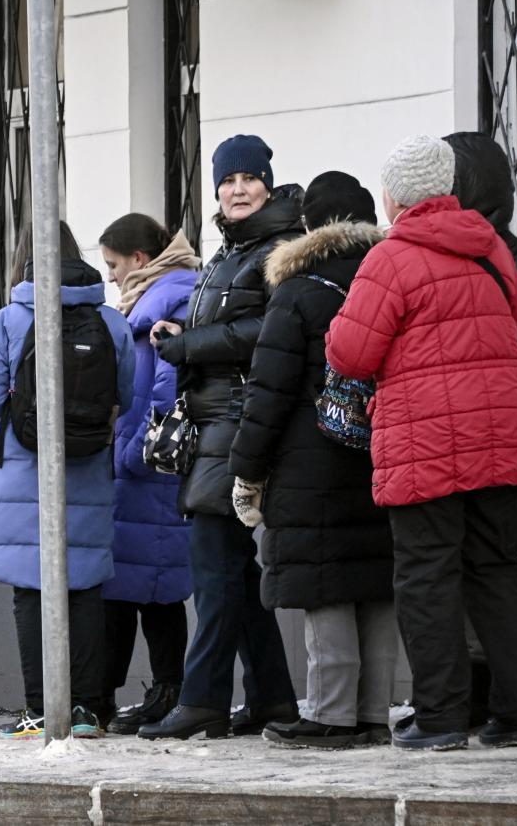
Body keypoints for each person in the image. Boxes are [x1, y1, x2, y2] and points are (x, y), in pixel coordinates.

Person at [326, 135, 517, 751]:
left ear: (394, 195)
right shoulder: (494, 251)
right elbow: (515, 324)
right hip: (501, 436)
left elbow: (349, 352)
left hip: (425, 444)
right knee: (496, 573)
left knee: (426, 577)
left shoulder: (391, 259)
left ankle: (443, 716)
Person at [226, 171, 396, 749]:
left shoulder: (299, 291)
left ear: (309, 227)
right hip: (382, 454)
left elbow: (267, 395)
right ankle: (373, 713)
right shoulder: (387, 281)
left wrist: (246, 468)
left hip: (310, 463)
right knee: (375, 581)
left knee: (326, 583)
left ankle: (329, 714)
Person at [140, 135, 301, 741]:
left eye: (248, 178)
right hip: (215, 421)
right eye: (227, 180)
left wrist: (188, 345)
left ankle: (203, 698)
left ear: (267, 182)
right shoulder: (229, 252)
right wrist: (179, 330)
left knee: (213, 566)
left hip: (238, 421)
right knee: (231, 567)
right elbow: (231, 322)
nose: (237, 189)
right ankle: (273, 699)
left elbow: (272, 326)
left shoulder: (280, 247)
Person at [0, 225, 135, 739]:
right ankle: (84, 708)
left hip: (23, 471)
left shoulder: (9, 320)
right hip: (86, 469)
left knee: (30, 589)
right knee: (83, 589)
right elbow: (126, 395)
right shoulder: (110, 321)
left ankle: (40, 708)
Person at [444, 131, 517, 730]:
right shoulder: (454, 253)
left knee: (490, 571)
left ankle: (516, 707)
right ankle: (485, 701)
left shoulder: (512, 255)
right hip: (459, 436)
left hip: (497, 439)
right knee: (459, 577)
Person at [96, 214, 199, 734]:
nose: (110, 275)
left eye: (113, 264)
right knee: (136, 583)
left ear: (139, 260)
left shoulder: (167, 300)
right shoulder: (155, 297)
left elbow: (166, 389)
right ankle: (126, 693)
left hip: (151, 470)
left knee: (156, 586)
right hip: (142, 469)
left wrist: (132, 455)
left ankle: (166, 689)